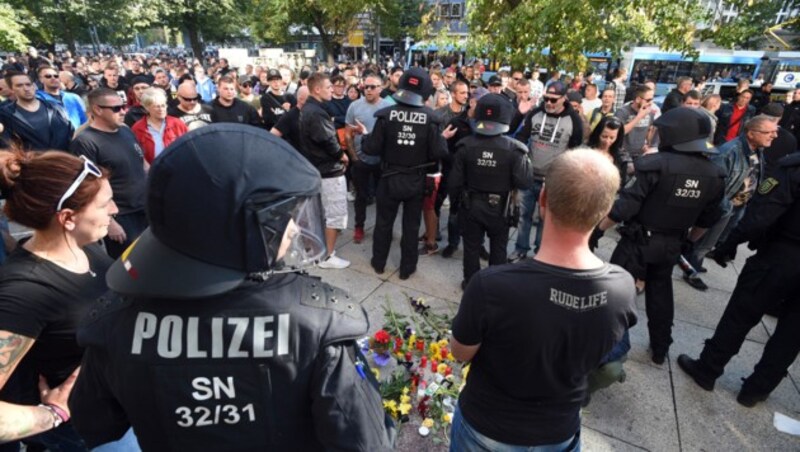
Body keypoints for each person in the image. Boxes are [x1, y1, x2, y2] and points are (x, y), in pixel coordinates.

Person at [68, 124, 394, 451]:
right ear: (242, 229)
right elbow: (364, 442)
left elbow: (96, 423)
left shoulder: (112, 321)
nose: (294, 229)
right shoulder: (320, 323)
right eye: (282, 216)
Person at [449, 148, 637, 451]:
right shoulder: (622, 288)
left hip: (486, 428)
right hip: (558, 431)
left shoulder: (491, 285)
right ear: (606, 211)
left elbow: (460, 352)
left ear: (543, 199)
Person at [0, 149, 116, 448]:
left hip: (115, 407)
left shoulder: (86, 248)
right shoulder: (24, 292)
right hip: (80, 433)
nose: (114, 210)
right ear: (67, 218)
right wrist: (51, 414)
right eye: (104, 205)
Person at [592, 107, 726, 364]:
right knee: (661, 295)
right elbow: (709, 219)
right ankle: (661, 348)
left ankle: (607, 348)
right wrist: (688, 242)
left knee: (615, 293)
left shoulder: (655, 165)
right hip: (672, 243)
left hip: (637, 243)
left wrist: (597, 231)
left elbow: (625, 208)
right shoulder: (714, 174)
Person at [678, 151, 800, 407]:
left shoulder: (793, 167)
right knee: (791, 335)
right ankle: (756, 391)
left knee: (740, 315)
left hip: (781, 257)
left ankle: (708, 369)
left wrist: (728, 244)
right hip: (783, 253)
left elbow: (762, 215)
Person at [355, 67, 448, 279]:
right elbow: (439, 152)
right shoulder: (431, 119)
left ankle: (379, 262)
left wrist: (365, 135)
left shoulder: (387, 115)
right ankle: (407, 268)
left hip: (389, 178)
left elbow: (370, 148)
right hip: (415, 180)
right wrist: (439, 138)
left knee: (383, 224)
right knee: (411, 226)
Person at [448, 93, 532, 289]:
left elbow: (454, 182)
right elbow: (524, 182)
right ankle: (495, 286)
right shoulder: (515, 150)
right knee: (498, 248)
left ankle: (471, 283)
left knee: (471, 247)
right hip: (499, 208)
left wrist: (454, 207)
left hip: (471, 206)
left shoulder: (465, 146)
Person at [683, 115, 777, 290]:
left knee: (714, 240)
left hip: (738, 205)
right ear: (751, 133)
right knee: (705, 242)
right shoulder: (729, 151)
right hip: (723, 206)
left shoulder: (758, 149)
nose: (774, 135)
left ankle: (692, 259)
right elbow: (715, 186)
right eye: (768, 132)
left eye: (774, 131)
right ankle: (690, 270)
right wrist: (722, 208)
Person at [69, 88, 148, 260]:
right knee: (129, 264)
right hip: (121, 215)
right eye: (116, 108)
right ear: (97, 109)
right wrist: (110, 222)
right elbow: (88, 186)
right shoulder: (85, 142)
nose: (123, 111)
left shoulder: (126, 131)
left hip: (144, 208)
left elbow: (141, 163)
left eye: (124, 106)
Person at [509, 81, 583, 262]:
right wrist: (520, 114)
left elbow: (576, 150)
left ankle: (541, 253)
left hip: (552, 180)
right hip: (529, 175)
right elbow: (517, 136)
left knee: (546, 220)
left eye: (553, 100)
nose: (548, 103)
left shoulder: (573, 119)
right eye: (546, 99)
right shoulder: (535, 113)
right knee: (524, 217)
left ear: (564, 99)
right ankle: (520, 249)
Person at [298, 73, 351, 269]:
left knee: (322, 214)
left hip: (319, 169)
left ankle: (319, 252)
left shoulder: (310, 109)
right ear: (317, 89)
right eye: (329, 87)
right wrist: (341, 155)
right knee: (335, 214)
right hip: (329, 171)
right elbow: (328, 140)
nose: (332, 90)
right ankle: (327, 256)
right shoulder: (316, 112)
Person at [345, 74, 391, 244]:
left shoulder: (388, 107)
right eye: (366, 87)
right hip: (360, 160)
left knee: (383, 198)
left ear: (380, 88)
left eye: (373, 87)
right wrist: (354, 157)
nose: (369, 90)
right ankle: (359, 226)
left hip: (381, 161)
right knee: (361, 197)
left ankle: (382, 228)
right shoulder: (354, 106)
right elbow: (348, 134)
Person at [0, 72, 74, 151]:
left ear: (34, 86)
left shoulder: (55, 108)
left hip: (63, 159)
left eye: (28, 84)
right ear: (12, 89)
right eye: (19, 85)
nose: (26, 88)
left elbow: (71, 134)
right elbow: (8, 146)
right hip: (32, 161)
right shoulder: (5, 115)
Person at [131, 87, 188, 164]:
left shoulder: (177, 124)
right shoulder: (138, 128)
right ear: (147, 108)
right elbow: (136, 154)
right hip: (152, 172)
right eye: (156, 106)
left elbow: (188, 147)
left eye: (163, 105)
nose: (161, 109)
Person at [615, 84, 657, 176]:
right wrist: (639, 117)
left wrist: (647, 144)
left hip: (640, 154)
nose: (651, 103)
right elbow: (619, 132)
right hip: (623, 153)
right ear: (638, 99)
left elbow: (648, 131)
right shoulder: (622, 112)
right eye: (648, 100)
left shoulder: (650, 113)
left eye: (652, 99)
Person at [587, 116, 626, 183]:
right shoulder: (585, 151)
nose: (607, 142)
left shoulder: (621, 157)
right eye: (604, 136)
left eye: (612, 138)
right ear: (598, 133)